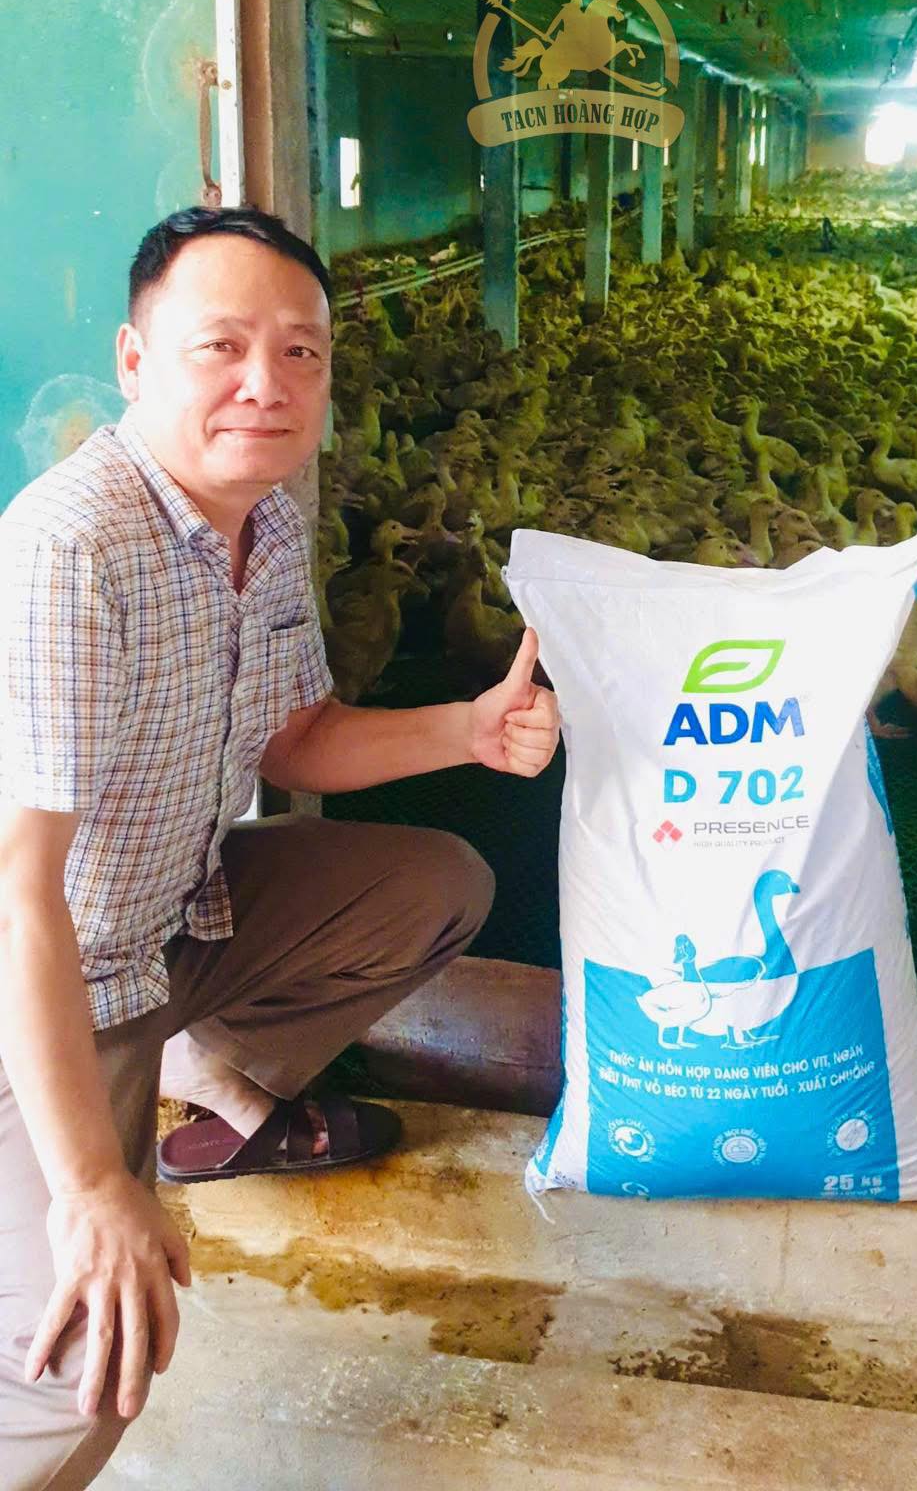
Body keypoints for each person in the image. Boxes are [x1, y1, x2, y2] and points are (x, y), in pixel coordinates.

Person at [0, 205, 560, 1488]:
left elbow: (295, 738)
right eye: (223, 345)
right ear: (135, 360)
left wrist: (470, 729)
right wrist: (90, 1187)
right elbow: (17, 894)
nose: (267, 381)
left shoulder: (266, 517)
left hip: (169, 922)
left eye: (301, 350)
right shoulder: (71, 549)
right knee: (85, 1363)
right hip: (47, 980)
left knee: (434, 882)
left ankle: (206, 1073)